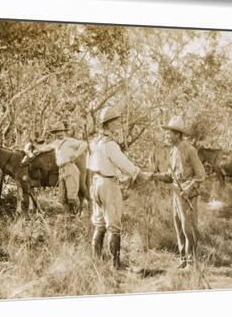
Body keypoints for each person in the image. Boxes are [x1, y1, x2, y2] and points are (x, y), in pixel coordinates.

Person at [88, 106, 151, 269]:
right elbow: (124, 164)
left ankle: (97, 262)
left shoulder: (94, 142)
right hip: (107, 184)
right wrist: (139, 173)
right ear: (108, 124)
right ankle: (115, 265)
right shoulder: (110, 145)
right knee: (113, 225)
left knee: (99, 223)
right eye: (115, 122)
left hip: (95, 182)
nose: (118, 124)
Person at [152, 116, 206, 269]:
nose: (167, 135)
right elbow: (171, 175)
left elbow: (201, 174)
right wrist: (153, 176)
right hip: (176, 193)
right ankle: (183, 258)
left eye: (169, 133)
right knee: (178, 225)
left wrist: (189, 188)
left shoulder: (189, 150)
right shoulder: (172, 151)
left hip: (188, 195)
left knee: (188, 227)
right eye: (167, 133)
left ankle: (191, 261)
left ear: (178, 134)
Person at [22, 122, 87, 213]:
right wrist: (35, 149)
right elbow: (45, 148)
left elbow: (84, 144)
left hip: (70, 167)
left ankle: (78, 212)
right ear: (55, 133)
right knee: (63, 195)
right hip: (61, 170)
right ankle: (68, 216)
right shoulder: (56, 143)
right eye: (57, 132)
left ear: (64, 132)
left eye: (61, 131)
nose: (59, 133)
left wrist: (76, 155)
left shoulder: (70, 141)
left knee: (72, 193)